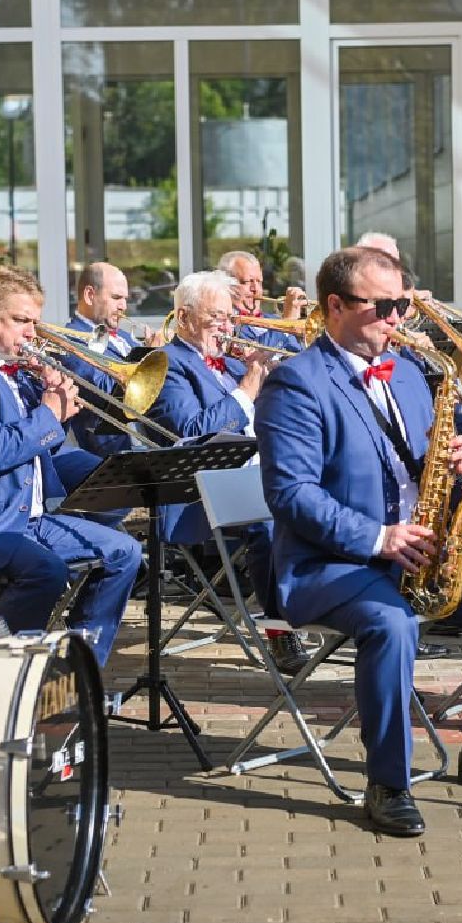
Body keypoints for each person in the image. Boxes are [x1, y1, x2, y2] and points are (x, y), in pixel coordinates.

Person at [256, 245, 462, 837]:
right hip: (328, 565)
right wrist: (379, 537)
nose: (396, 319)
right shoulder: (295, 383)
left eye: (403, 306)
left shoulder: (411, 373)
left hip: (412, 554)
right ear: (334, 306)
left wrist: (455, 456)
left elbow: (418, 459)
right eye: (383, 306)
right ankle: (388, 782)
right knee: (393, 624)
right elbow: (292, 495)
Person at [0, 265, 141, 666]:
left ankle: (77, 668)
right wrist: (50, 412)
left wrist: (48, 393)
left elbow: (37, 439)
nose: (31, 333)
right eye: (20, 321)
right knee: (46, 572)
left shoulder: (14, 372)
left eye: (34, 321)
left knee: (126, 551)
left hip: (29, 518)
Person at [152, 270, 293, 670]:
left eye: (229, 317)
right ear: (183, 318)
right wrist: (247, 390)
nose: (227, 328)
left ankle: (323, 604)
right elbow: (191, 431)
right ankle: (281, 629)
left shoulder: (229, 365)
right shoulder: (167, 363)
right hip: (207, 485)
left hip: (258, 473)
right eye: (215, 318)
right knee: (271, 521)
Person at [62, 260, 158, 458]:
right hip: (111, 452)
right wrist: (148, 357)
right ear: (90, 295)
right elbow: (104, 389)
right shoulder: (70, 339)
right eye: (116, 297)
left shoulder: (124, 337)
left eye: (125, 298)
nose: (123, 306)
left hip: (149, 444)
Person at [219, 250, 305, 354]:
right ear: (227, 286)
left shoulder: (275, 319)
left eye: (259, 281)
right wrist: (287, 322)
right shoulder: (226, 325)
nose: (256, 289)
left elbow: (299, 355)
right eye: (247, 282)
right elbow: (256, 355)